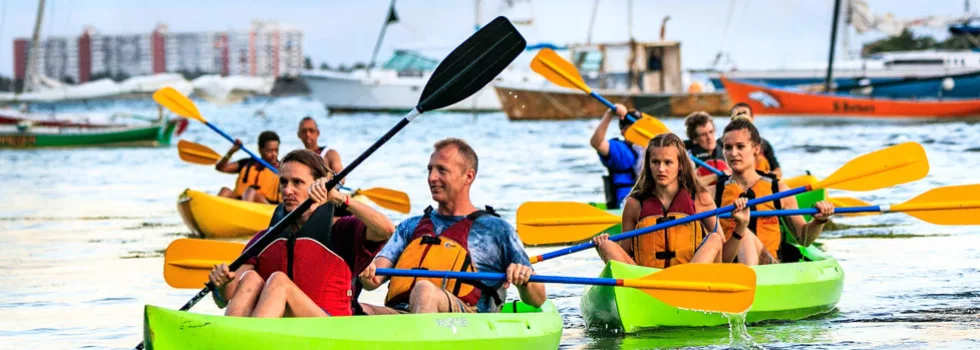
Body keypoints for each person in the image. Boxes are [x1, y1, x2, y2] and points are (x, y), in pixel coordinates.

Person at [358, 138, 547, 314]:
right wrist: (365, 268)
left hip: (466, 321)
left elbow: (538, 299)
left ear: (468, 176)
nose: (432, 177)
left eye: (441, 170)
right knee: (355, 309)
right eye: (429, 169)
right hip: (404, 315)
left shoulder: (497, 230)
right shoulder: (410, 226)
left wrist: (524, 281)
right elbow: (371, 282)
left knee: (424, 290)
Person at [207, 149, 395, 317]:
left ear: (317, 186)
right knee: (250, 278)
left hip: (331, 330)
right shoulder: (265, 238)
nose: (288, 190)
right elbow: (226, 296)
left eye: (297, 182)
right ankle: (235, 339)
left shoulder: (341, 230)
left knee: (279, 283)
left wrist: (338, 197)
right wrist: (223, 283)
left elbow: (386, 229)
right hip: (284, 329)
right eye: (283, 182)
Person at [591, 133, 734, 267]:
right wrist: (602, 250)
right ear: (648, 165)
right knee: (607, 245)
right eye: (655, 162)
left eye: (668, 162)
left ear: (680, 165)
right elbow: (625, 255)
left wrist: (740, 226)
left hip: (690, 279)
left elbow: (721, 253)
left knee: (715, 238)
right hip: (646, 279)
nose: (661, 168)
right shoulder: (634, 204)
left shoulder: (700, 198)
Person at [711, 118, 834, 265]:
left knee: (747, 236)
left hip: (769, 267)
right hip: (728, 265)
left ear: (756, 149)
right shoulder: (713, 193)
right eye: (728, 147)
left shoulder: (779, 190)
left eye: (740, 146)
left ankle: (750, 281)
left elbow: (804, 238)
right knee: (741, 235)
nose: (733, 153)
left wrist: (819, 220)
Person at [590, 103, 645, 209]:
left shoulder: (652, 148)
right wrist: (610, 114)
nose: (639, 132)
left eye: (641, 127)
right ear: (623, 131)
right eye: (634, 128)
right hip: (626, 203)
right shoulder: (619, 149)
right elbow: (596, 143)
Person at [216, 131, 281, 204]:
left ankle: (243, 213)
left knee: (251, 192)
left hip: (267, 207)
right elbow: (221, 168)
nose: (274, 154)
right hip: (242, 203)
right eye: (270, 150)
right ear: (260, 149)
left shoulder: (282, 169)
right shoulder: (247, 163)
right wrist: (231, 151)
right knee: (225, 191)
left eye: (276, 150)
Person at [730, 102, 782, 179]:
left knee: (761, 160)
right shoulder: (722, 144)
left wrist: (767, 175)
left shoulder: (764, 144)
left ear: (752, 118)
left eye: (744, 115)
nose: (741, 121)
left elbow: (778, 171)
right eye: (738, 115)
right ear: (731, 120)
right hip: (735, 183)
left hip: (761, 183)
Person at [683, 111, 730, 186]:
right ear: (694, 139)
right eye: (703, 134)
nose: (709, 137)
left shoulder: (727, 148)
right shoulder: (689, 157)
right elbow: (692, 185)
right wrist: (718, 175)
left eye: (711, 132)